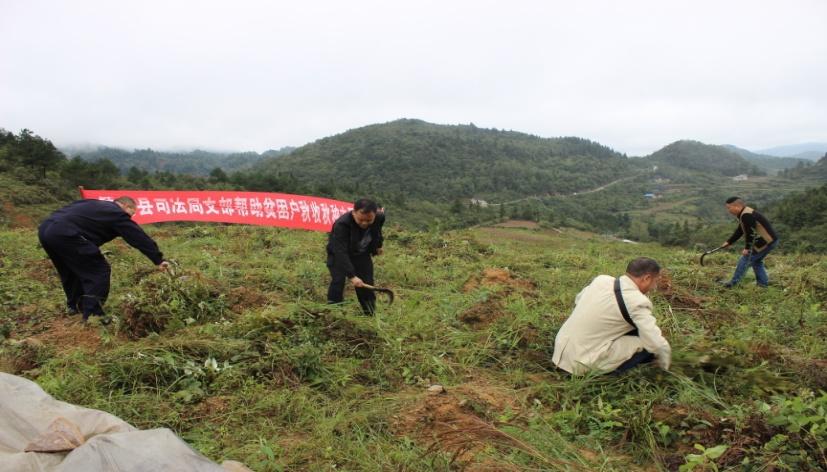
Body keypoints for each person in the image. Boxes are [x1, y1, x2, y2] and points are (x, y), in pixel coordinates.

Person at [38, 197, 169, 322]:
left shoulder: (95, 204)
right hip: (66, 233)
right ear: (125, 206)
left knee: (70, 271)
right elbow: (137, 236)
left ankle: (75, 307)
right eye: (131, 213)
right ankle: (93, 315)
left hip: (45, 230)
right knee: (98, 271)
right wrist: (158, 259)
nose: (129, 218)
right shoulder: (117, 213)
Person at [552, 257, 671, 375]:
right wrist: (665, 366)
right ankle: (610, 376)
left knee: (633, 329)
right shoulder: (638, 301)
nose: (654, 287)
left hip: (560, 350)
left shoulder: (601, 280)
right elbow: (656, 343)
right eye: (655, 282)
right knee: (647, 345)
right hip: (580, 364)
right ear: (647, 278)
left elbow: (578, 300)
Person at [326, 198, 385, 314]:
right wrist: (352, 276)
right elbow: (340, 251)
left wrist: (378, 245)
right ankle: (334, 312)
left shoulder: (379, 217)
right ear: (354, 213)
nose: (364, 223)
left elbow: (377, 230)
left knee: (366, 282)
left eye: (369, 220)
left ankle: (370, 313)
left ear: (375, 215)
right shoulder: (342, 225)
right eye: (361, 220)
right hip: (339, 254)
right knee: (338, 280)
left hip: (361, 254)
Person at [720, 197, 778, 288]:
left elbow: (750, 232)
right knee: (756, 262)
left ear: (736, 206)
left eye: (729, 208)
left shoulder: (746, 215)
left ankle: (733, 283)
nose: (728, 210)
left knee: (745, 259)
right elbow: (740, 230)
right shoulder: (744, 213)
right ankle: (763, 285)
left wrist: (747, 248)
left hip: (766, 241)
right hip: (769, 240)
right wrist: (729, 242)